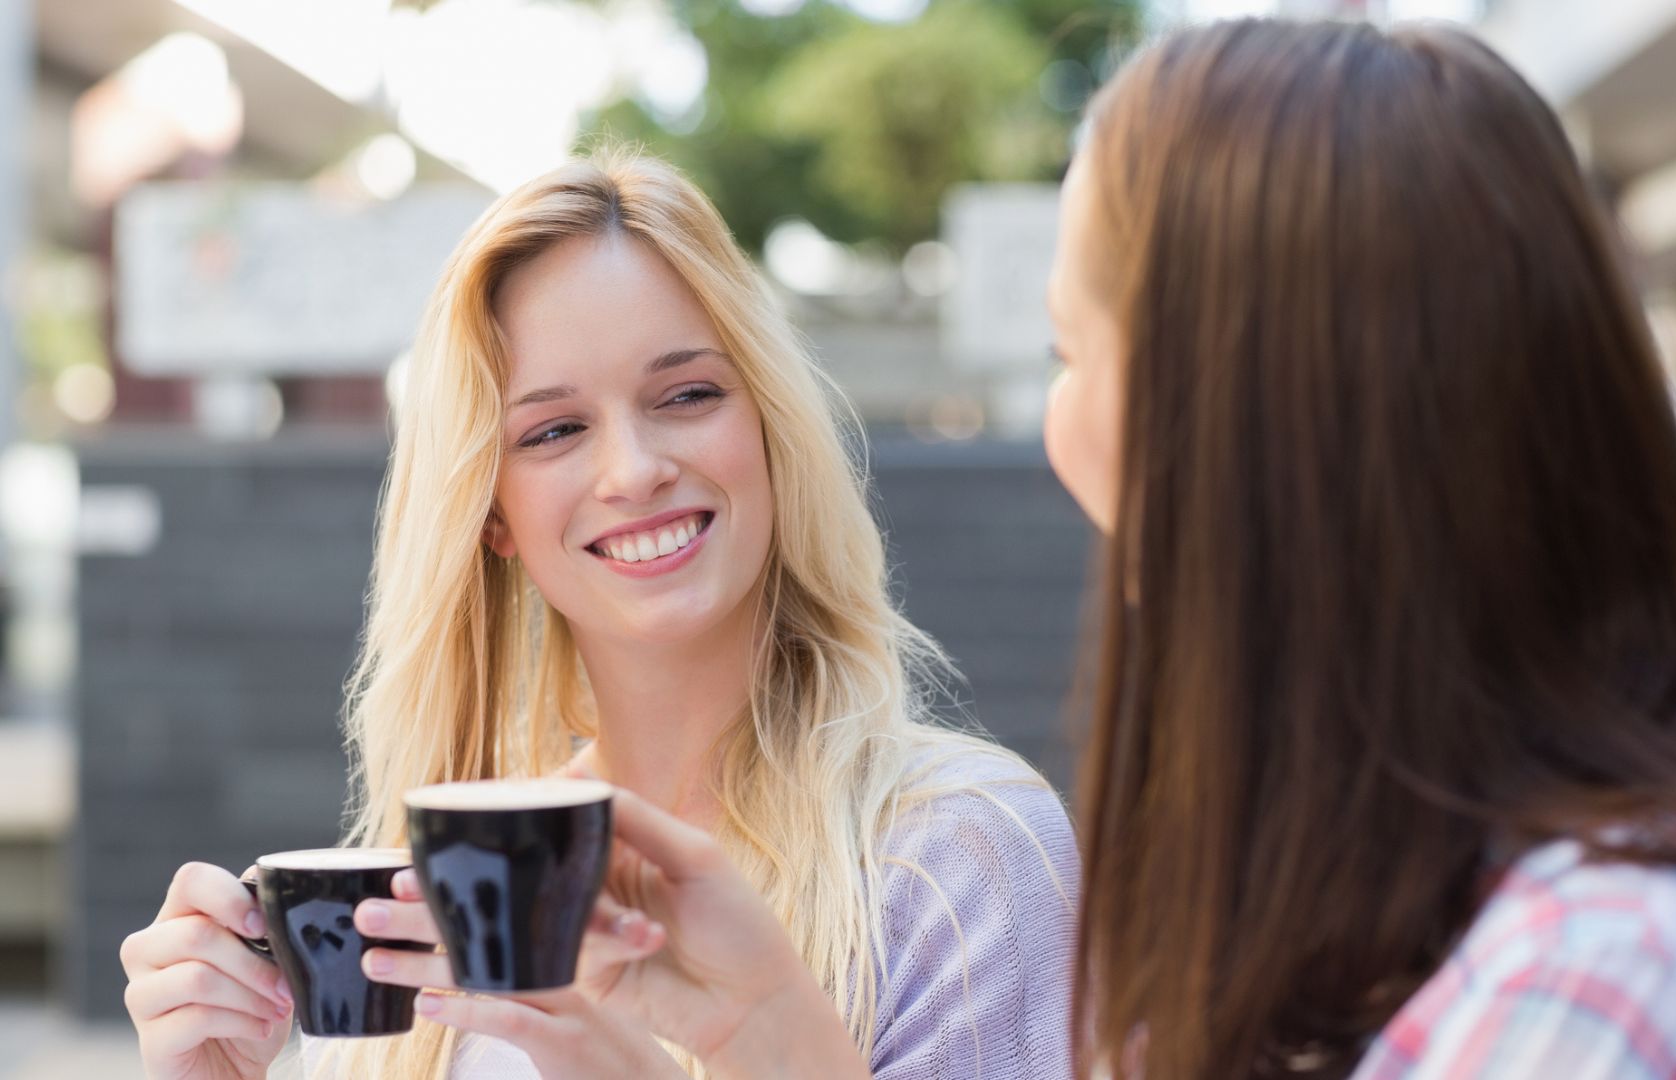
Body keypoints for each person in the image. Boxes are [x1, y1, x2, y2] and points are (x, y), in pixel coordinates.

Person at [117, 151, 1079, 1080]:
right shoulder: (425, 897)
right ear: (491, 513)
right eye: (554, 430)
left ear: (771, 427)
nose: (634, 470)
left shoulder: (965, 861)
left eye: (688, 393)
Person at [1043, 17, 1676, 1079]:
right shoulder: (1366, 869)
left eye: (1070, 350)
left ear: (1242, 423)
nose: (1061, 422)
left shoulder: (1598, 983)